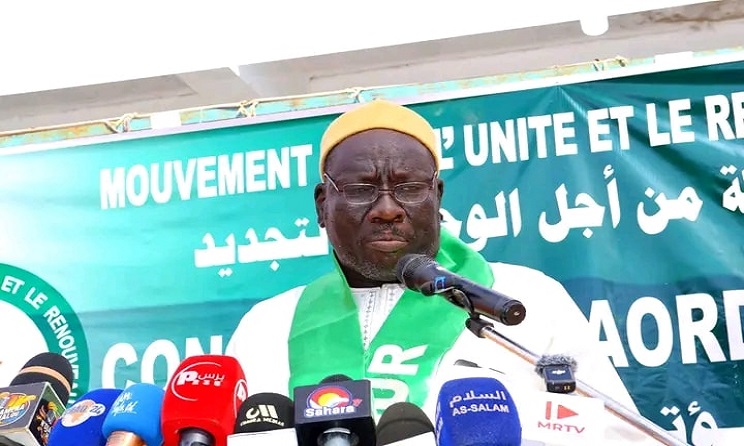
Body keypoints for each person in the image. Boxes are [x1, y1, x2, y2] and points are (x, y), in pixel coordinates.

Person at [227, 99, 663, 445]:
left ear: (436, 196)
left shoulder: (526, 298)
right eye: (361, 189)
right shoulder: (268, 325)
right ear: (323, 205)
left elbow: (620, 436)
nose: (386, 209)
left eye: (409, 187)